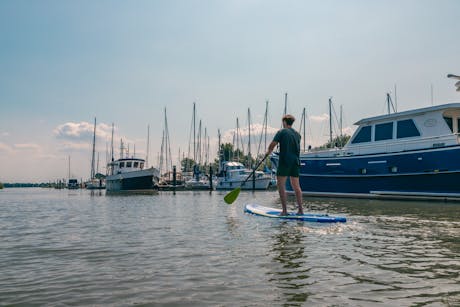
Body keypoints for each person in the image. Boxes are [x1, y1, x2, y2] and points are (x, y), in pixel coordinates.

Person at [265, 114, 303, 215]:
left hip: (285, 161)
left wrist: (268, 151)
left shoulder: (281, 132)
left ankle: (285, 211)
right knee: (296, 186)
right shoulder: (298, 134)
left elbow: (273, 144)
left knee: (280, 185)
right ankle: (300, 210)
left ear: (284, 122)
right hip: (295, 162)